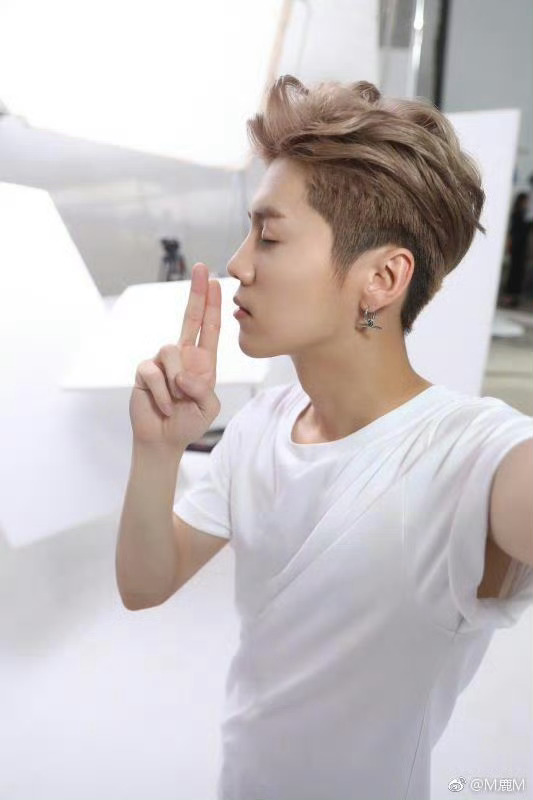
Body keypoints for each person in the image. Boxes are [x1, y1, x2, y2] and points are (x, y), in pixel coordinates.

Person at [116, 76, 533, 800]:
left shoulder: (471, 454)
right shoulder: (261, 426)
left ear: (383, 277)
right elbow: (146, 583)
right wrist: (157, 449)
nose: (239, 264)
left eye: (269, 235)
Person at [501, 192, 530, 308]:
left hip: (521, 249)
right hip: (516, 248)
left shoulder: (523, 215)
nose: (527, 203)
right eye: (525, 201)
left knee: (518, 273)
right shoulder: (517, 214)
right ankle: (509, 298)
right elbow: (514, 232)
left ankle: (513, 298)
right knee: (514, 273)